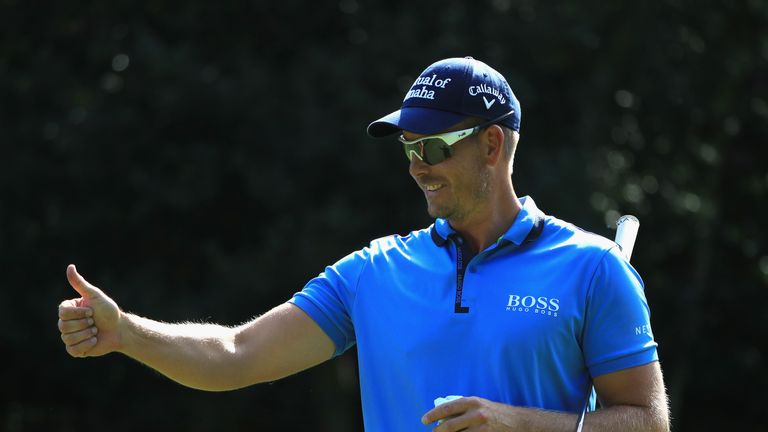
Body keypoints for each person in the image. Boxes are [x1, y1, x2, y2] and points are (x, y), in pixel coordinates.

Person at [58, 57, 670, 431]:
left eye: (432, 147)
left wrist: (520, 424)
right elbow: (237, 353)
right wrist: (128, 334)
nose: (416, 167)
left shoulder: (591, 269)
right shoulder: (375, 272)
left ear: (491, 145)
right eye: (407, 149)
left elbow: (646, 421)